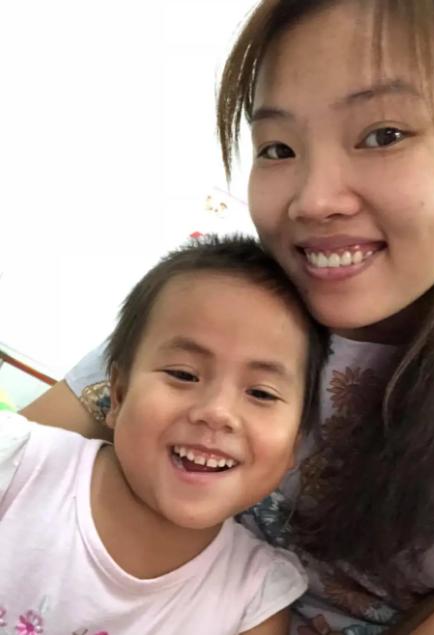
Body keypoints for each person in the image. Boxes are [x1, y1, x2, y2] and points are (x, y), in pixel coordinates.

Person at [22, 0, 434, 632]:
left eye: (384, 135)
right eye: (278, 147)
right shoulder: (224, 316)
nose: (313, 201)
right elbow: (35, 468)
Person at [1, 235, 326, 635]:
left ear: (295, 443)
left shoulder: (254, 602)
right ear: (118, 394)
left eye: (261, 393)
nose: (217, 413)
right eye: (183, 374)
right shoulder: (18, 462)